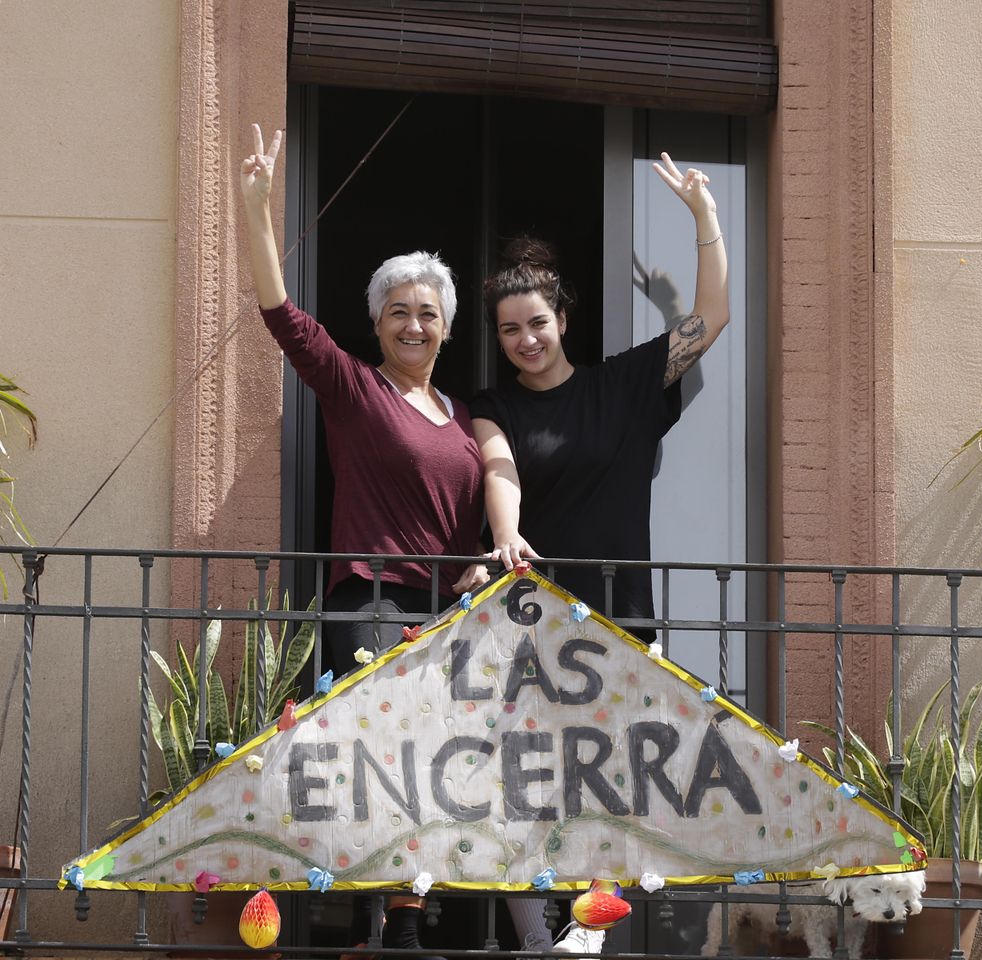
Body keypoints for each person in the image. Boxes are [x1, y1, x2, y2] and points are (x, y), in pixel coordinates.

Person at [469, 153, 730, 952]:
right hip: (530, 622)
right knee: (521, 785)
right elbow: (496, 463)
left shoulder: (624, 386)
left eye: (537, 324)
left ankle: (589, 926)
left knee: (609, 780)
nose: (525, 340)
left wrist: (704, 221)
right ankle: (533, 930)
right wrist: (506, 532)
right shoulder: (490, 404)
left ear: (563, 320)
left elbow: (713, 319)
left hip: (620, 620)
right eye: (510, 330)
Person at [240, 123, 484, 954]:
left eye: (427, 313)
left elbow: (474, 519)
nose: (412, 324)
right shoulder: (354, 389)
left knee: (431, 765)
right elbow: (281, 314)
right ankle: (368, 921)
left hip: (441, 611)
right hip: (371, 598)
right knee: (381, 753)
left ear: (446, 328)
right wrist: (254, 207)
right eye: (397, 312)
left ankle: (403, 924)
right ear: (377, 324)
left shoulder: (461, 422)